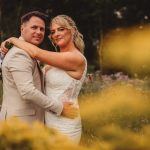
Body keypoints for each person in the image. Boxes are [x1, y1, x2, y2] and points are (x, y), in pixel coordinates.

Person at [1, 14, 87, 144]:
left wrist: (13, 40)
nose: (56, 34)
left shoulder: (76, 58)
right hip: (48, 121)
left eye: (61, 29)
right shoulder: (53, 59)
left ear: (73, 31)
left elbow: (36, 53)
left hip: (66, 120)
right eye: (53, 32)